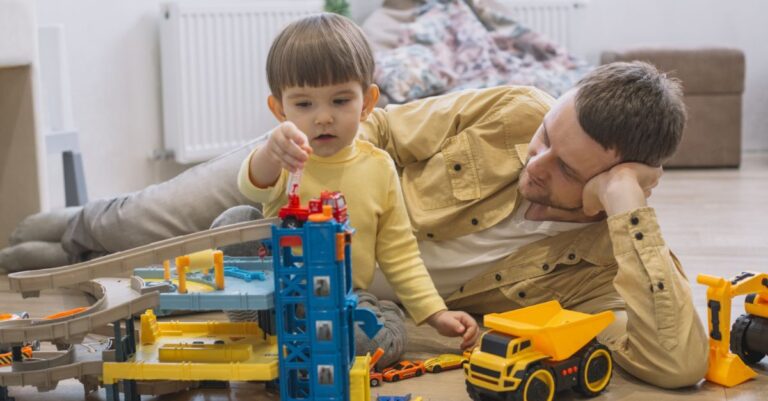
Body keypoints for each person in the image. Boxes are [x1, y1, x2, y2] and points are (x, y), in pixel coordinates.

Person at [1, 59, 707, 387]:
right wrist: (307, 174)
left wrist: (626, 212)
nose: (535, 162)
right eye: (548, 134)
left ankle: (41, 254)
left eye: (566, 169)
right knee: (138, 220)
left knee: (165, 275)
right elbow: (384, 129)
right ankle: (55, 232)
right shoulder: (515, 110)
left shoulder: (609, 250)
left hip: (359, 287)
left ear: (622, 183)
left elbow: (677, 362)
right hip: (315, 179)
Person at [240, 12, 478, 357]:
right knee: (235, 220)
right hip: (279, 294)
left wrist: (435, 313)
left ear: (366, 103)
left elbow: (399, 252)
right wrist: (270, 151)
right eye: (304, 104)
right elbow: (251, 187)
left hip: (343, 298)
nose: (323, 116)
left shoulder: (379, 168)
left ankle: (381, 319)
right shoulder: (283, 156)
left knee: (369, 342)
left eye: (340, 101)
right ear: (279, 109)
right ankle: (253, 319)